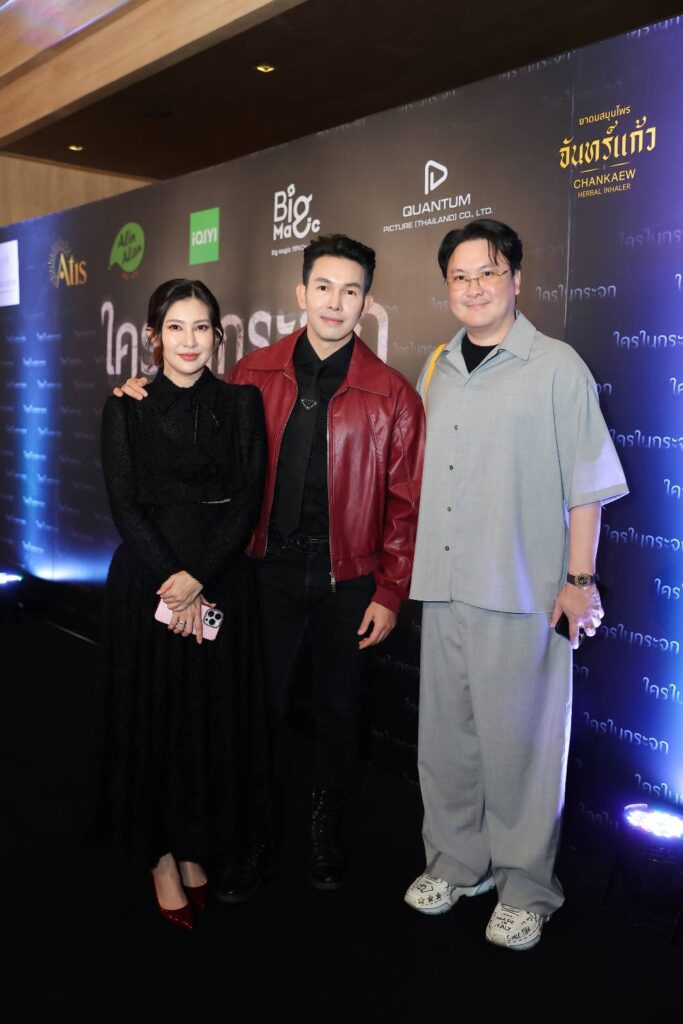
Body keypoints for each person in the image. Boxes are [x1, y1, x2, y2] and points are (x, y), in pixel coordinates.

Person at [117, 235, 425, 898]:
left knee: (339, 709)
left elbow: (406, 504)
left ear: (366, 302)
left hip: (350, 579)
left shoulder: (393, 393)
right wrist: (141, 388)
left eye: (350, 290)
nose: (335, 302)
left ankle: (324, 830)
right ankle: (252, 834)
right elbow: (200, 434)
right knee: (255, 707)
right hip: (263, 572)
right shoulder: (252, 372)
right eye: (324, 287)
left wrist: (391, 590)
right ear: (301, 293)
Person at [404, 219, 628, 950]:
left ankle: (526, 889)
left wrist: (578, 581)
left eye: (489, 273)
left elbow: (586, 488)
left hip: (525, 591)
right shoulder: (437, 366)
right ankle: (456, 863)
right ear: (447, 286)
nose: (474, 288)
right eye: (460, 276)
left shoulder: (557, 366)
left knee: (523, 753)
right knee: (446, 744)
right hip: (444, 585)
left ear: (517, 280)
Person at [93, 278, 269, 931]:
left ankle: (195, 842)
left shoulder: (242, 402)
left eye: (201, 328)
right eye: (175, 327)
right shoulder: (126, 406)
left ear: (218, 336)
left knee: (206, 720)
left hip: (221, 580)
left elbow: (248, 499)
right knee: (154, 721)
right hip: (149, 583)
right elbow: (124, 504)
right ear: (153, 336)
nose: (189, 341)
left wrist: (200, 577)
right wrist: (173, 577)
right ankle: (160, 856)